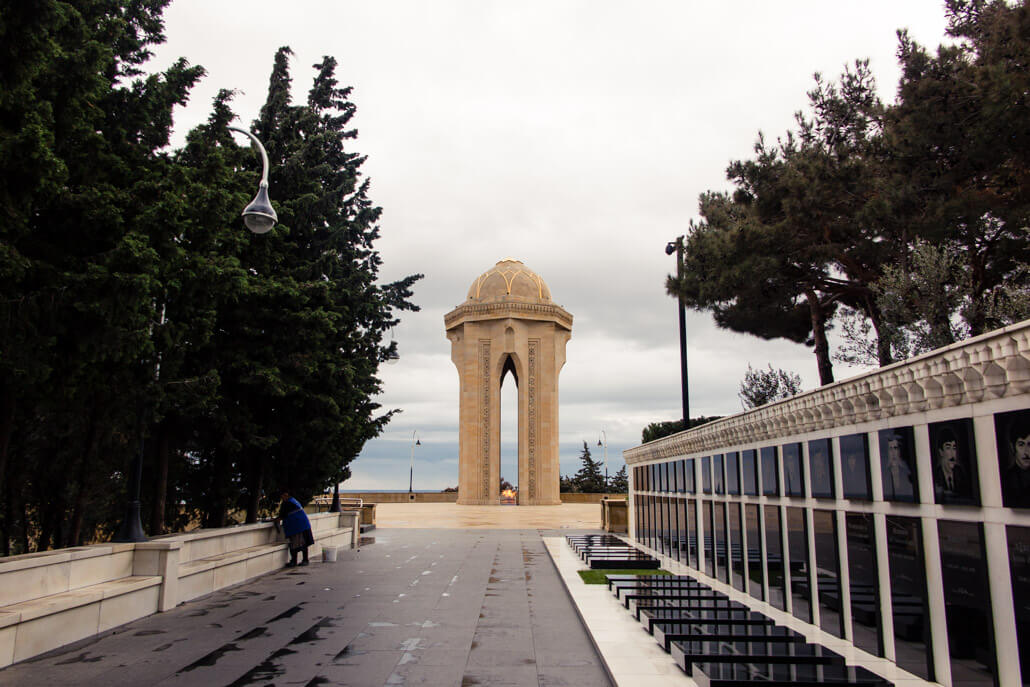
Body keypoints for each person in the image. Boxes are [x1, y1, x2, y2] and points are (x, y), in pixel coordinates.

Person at [277, 490, 314, 567]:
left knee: (296, 544)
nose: (282, 498)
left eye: (282, 496)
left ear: (286, 494)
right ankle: (302, 560)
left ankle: (296, 561)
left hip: (298, 526)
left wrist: (274, 520)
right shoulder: (293, 501)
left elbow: (281, 516)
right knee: (301, 544)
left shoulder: (288, 503)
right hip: (302, 525)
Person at [933, 427, 968, 498]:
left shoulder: (960, 473)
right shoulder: (935, 475)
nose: (952, 454)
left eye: (954, 448)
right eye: (948, 448)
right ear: (941, 452)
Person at [1001, 422, 1030, 508]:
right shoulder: (1008, 478)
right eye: (1021, 444)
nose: (1026, 452)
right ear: (1012, 447)